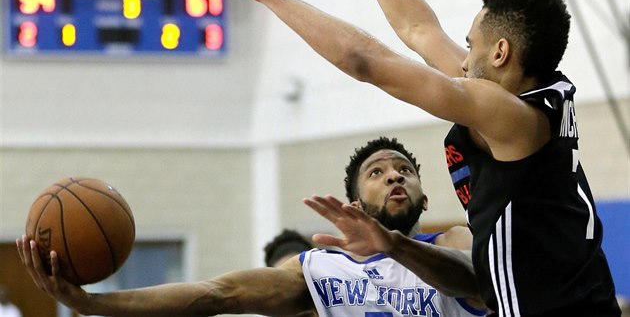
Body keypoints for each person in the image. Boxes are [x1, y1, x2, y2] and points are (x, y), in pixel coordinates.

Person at [226, 0, 620, 316]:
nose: (463, 61)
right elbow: (419, 30)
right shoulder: (531, 94)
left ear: (500, 52)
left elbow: (366, 63)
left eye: (470, 46)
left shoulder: (513, 118)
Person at [17, 137, 485, 316]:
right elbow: (217, 294)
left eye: (404, 170)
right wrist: (93, 303)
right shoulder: (321, 269)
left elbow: (474, 281)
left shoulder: (453, 242)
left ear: (423, 194)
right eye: (377, 173)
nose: (394, 176)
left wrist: (396, 247)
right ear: (355, 203)